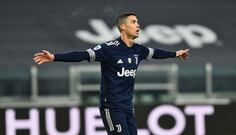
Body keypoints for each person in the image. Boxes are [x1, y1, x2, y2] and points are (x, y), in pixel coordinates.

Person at [33, 12, 189, 135]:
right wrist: (54, 57)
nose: (138, 25)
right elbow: (81, 55)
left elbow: (156, 53)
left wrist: (176, 53)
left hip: (128, 107)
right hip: (112, 107)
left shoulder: (139, 50)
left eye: (137, 22)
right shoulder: (108, 49)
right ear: (122, 27)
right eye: (133, 22)